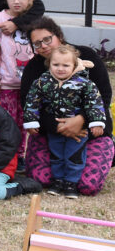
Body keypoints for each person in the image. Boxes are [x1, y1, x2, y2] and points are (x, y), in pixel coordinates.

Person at [21, 18, 113, 196]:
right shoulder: (34, 68)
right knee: (41, 180)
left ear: (59, 36)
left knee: (87, 186)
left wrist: (81, 120)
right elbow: (29, 103)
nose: (44, 46)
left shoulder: (86, 56)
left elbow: (103, 96)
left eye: (47, 39)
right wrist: (60, 126)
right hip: (50, 131)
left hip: (91, 132)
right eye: (37, 44)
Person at [0, 0, 36, 159]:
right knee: (8, 122)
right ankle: (8, 156)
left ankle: (21, 155)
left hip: (30, 84)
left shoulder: (36, 20)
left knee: (26, 122)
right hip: (6, 82)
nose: (17, 1)